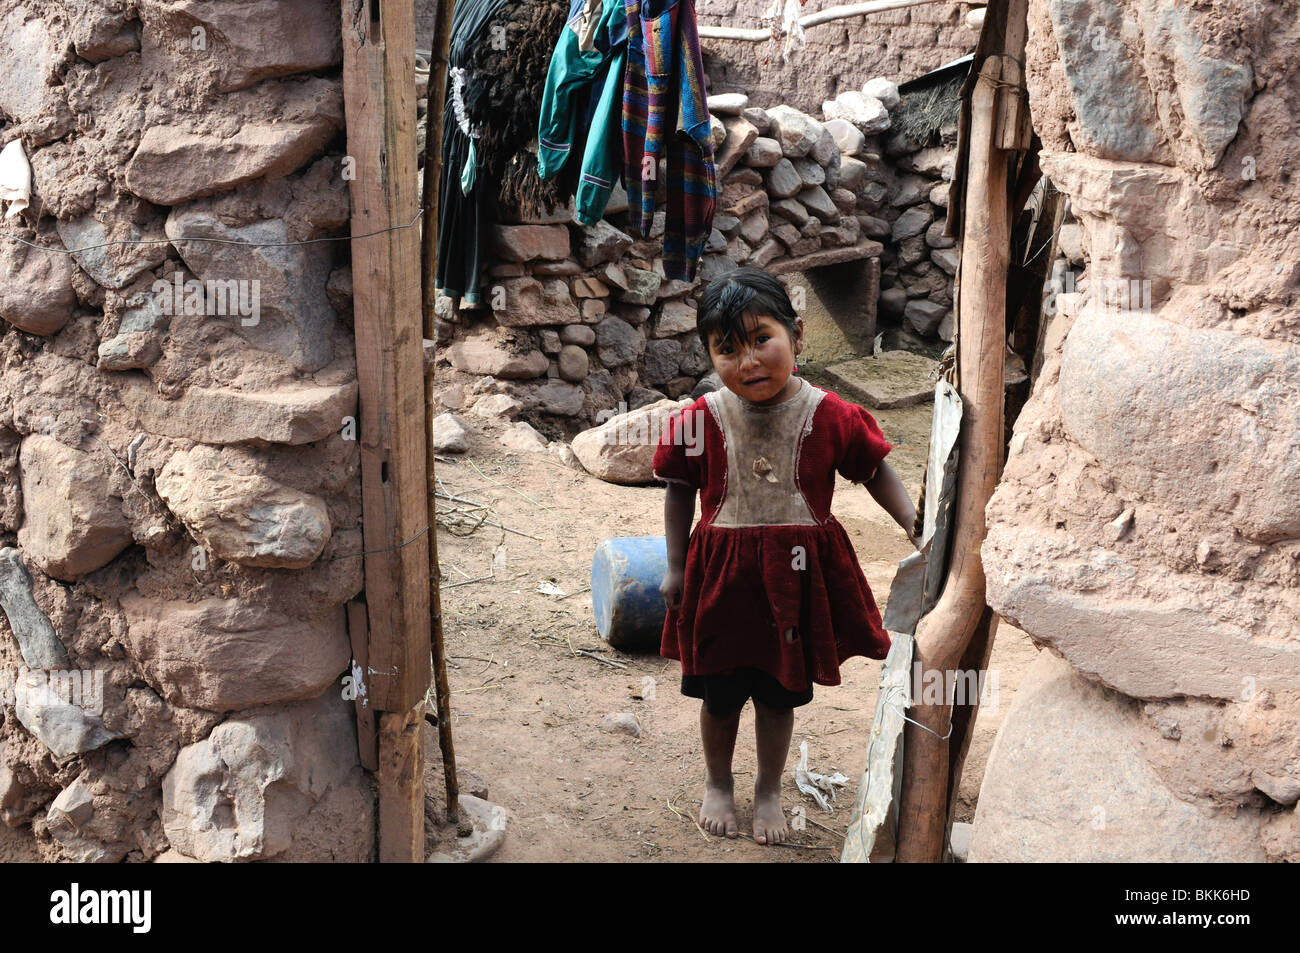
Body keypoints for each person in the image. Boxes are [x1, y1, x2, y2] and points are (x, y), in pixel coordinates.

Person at [652, 267, 919, 845]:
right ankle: (718, 783)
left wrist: (911, 523)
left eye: (760, 339)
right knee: (719, 694)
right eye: (727, 349)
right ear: (708, 355)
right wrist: (675, 566)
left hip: (795, 583)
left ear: (797, 336)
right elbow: (677, 489)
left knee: (778, 695)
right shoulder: (699, 420)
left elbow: (872, 469)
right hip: (721, 580)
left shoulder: (831, 414)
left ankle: (769, 790)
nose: (747, 360)